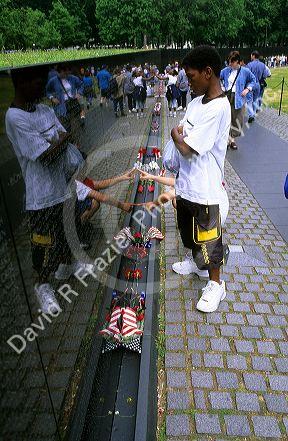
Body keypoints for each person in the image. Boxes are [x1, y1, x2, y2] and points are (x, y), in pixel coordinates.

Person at [5, 66, 79, 314]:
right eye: (36, 80)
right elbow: (46, 156)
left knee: (67, 232)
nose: (41, 85)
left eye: (42, 79)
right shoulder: (15, 118)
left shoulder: (45, 109)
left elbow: (61, 136)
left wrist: (59, 139)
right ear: (21, 82)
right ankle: (43, 286)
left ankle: (67, 266)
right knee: (43, 246)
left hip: (62, 188)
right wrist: (62, 138)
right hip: (40, 197)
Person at [169, 45, 231, 313]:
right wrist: (180, 133)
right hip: (186, 185)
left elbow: (185, 146)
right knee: (190, 233)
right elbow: (185, 133)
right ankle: (196, 264)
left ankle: (216, 285)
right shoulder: (195, 103)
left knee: (210, 240)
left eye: (191, 77)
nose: (187, 82)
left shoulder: (219, 108)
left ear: (208, 72)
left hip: (206, 189)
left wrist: (174, 134)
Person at [220, 51, 256, 150]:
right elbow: (217, 78)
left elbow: (253, 80)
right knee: (226, 119)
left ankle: (232, 139)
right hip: (227, 97)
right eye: (229, 62)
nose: (230, 64)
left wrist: (247, 89)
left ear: (238, 62)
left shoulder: (245, 71)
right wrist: (222, 86)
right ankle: (228, 140)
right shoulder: (226, 70)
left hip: (238, 98)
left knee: (237, 120)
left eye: (232, 62)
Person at [46, 64, 85, 133]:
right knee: (67, 125)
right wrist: (52, 98)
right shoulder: (53, 81)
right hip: (62, 106)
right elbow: (47, 91)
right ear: (59, 72)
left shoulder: (72, 78)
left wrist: (79, 93)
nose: (67, 74)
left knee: (77, 120)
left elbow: (81, 84)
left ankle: (80, 133)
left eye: (68, 72)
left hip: (73, 102)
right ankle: (71, 138)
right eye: (65, 72)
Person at [246, 50, 271, 122]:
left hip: (250, 84)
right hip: (258, 84)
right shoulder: (263, 65)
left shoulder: (249, 64)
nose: (251, 57)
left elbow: (247, 75)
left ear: (253, 56)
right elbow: (266, 75)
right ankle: (253, 114)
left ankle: (251, 115)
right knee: (255, 100)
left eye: (251, 55)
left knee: (249, 101)